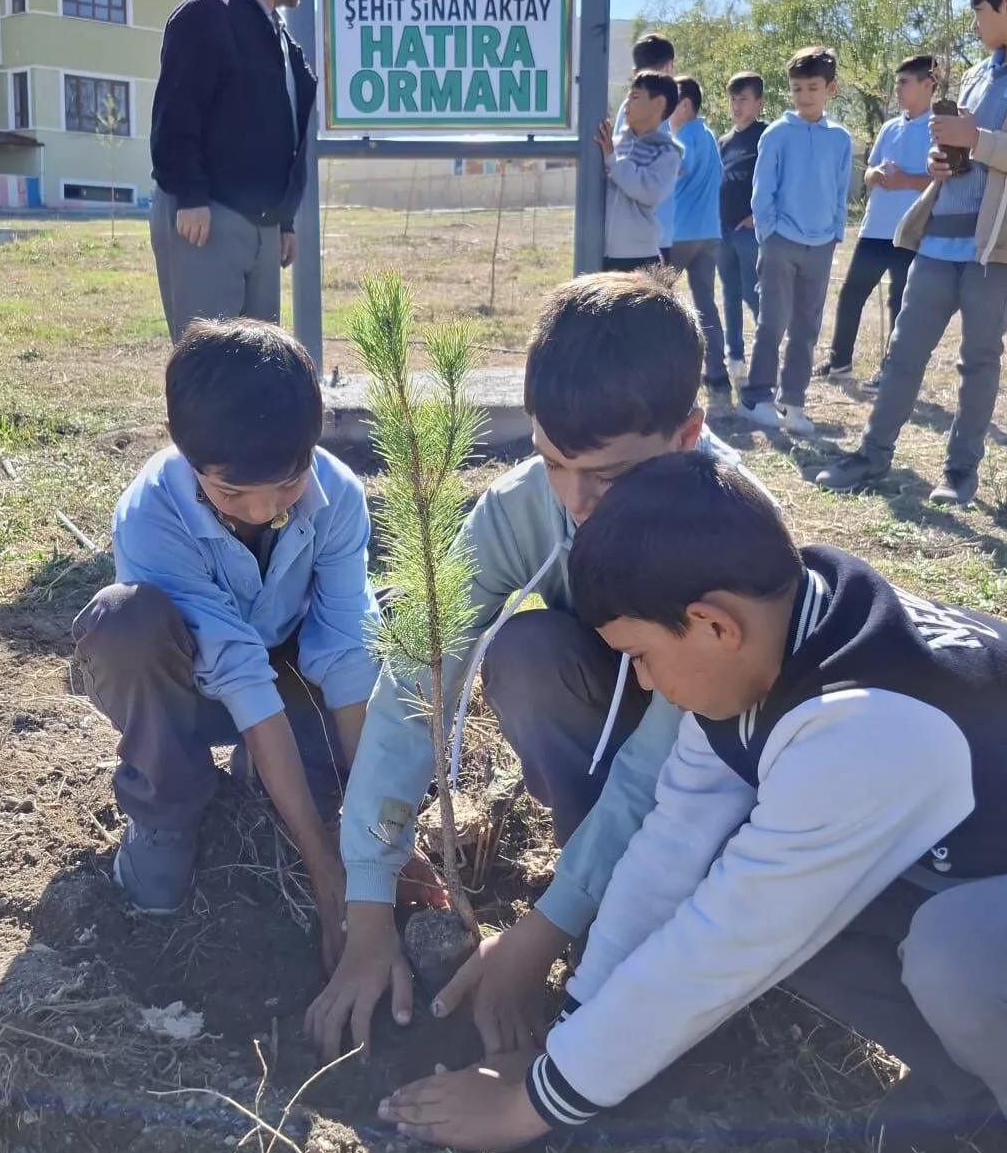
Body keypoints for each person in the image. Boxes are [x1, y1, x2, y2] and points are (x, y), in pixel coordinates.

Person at [382, 452, 1007, 1153]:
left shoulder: (865, 725)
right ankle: (983, 1084)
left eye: (640, 655)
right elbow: (674, 844)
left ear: (713, 625)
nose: (641, 680)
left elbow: (724, 944)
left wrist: (534, 1107)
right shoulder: (790, 633)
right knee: (798, 896)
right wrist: (571, 1029)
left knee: (967, 947)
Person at [308, 271, 743, 1060]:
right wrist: (368, 900)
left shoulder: (732, 534)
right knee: (526, 653)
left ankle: (609, 911)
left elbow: (660, 767)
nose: (575, 500)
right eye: (551, 460)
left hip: (708, 756)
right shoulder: (523, 508)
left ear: (686, 436)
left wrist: (543, 931)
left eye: (607, 476)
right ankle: (591, 879)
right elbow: (417, 670)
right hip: (597, 705)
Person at [72, 321, 376, 965]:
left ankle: (276, 772)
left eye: (288, 487)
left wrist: (381, 835)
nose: (263, 510)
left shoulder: (340, 496)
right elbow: (235, 671)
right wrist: (327, 875)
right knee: (123, 624)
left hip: (289, 677)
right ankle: (166, 808)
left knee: (380, 644)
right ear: (187, 454)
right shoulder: (154, 512)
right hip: (193, 686)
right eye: (232, 491)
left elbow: (346, 655)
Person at [818, 0, 1007, 506]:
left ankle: (959, 474)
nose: (976, 23)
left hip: (996, 246)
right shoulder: (976, 73)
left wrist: (976, 141)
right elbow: (960, 151)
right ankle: (871, 456)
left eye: (981, 10)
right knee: (902, 352)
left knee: (978, 360)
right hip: (939, 237)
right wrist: (943, 162)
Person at [149, 0, 319, 340]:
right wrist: (189, 195)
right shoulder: (208, 14)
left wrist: (283, 221)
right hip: (206, 219)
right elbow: (177, 109)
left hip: (261, 229)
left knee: (258, 376)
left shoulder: (278, 37)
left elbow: (280, 133)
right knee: (208, 370)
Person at [739, 46, 852, 440]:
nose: (804, 95)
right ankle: (756, 398)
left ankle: (795, 403)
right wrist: (768, 234)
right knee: (773, 321)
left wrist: (836, 232)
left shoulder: (840, 138)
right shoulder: (777, 133)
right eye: (797, 88)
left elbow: (841, 190)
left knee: (807, 328)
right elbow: (762, 190)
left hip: (821, 245)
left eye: (813, 87)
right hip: (780, 241)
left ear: (830, 88)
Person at [817, 55, 935, 386]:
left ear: (927, 85)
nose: (896, 90)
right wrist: (875, 175)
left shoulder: (938, 129)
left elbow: (942, 181)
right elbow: (868, 171)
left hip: (909, 231)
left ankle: (892, 371)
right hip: (874, 229)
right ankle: (838, 362)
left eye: (904, 83)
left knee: (901, 303)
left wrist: (906, 181)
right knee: (852, 294)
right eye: (896, 83)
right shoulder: (889, 127)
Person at [658, 78, 729, 399]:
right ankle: (717, 373)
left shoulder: (683, 137)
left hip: (679, 233)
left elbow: (678, 168)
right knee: (706, 306)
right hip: (709, 233)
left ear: (684, 104)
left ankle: (661, 371)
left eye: (670, 103)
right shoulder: (709, 136)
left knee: (657, 302)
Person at [596, 73, 681, 271]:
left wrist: (613, 162)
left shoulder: (667, 151)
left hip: (638, 258)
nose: (626, 103)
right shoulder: (613, 145)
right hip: (601, 252)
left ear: (659, 104)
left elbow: (650, 191)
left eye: (634, 97)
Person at [715, 72, 766, 378]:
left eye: (744, 99)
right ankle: (735, 356)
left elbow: (778, 180)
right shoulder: (723, 142)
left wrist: (758, 216)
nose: (737, 105)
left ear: (758, 102)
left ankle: (766, 352)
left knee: (752, 293)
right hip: (722, 230)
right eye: (733, 99)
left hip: (750, 232)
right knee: (730, 295)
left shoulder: (765, 136)